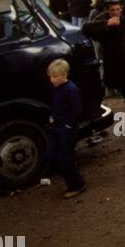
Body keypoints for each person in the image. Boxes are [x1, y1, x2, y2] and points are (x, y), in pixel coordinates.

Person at [82, 0, 125, 139]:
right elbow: (86, 29)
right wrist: (106, 24)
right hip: (121, 69)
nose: (116, 12)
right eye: (112, 10)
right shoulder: (102, 20)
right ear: (107, 10)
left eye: (118, 9)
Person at [45, 59, 86, 199]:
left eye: (55, 77)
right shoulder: (55, 88)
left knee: (64, 158)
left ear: (64, 74)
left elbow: (77, 110)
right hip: (56, 127)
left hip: (67, 129)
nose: (52, 80)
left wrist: (68, 125)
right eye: (50, 77)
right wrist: (52, 117)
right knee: (50, 155)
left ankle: (77, 184)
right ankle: (71, 181)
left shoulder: (71, 90)